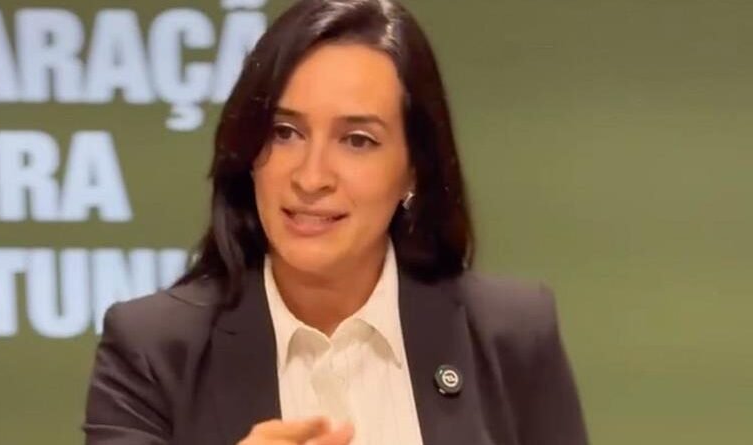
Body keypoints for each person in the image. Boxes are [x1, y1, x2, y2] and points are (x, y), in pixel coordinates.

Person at [82, 0, 588, 444]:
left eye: (357, 140)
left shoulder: (511, 335)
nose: (311, 177)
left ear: (414, 168)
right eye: (285, 132)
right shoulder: (152, 353)